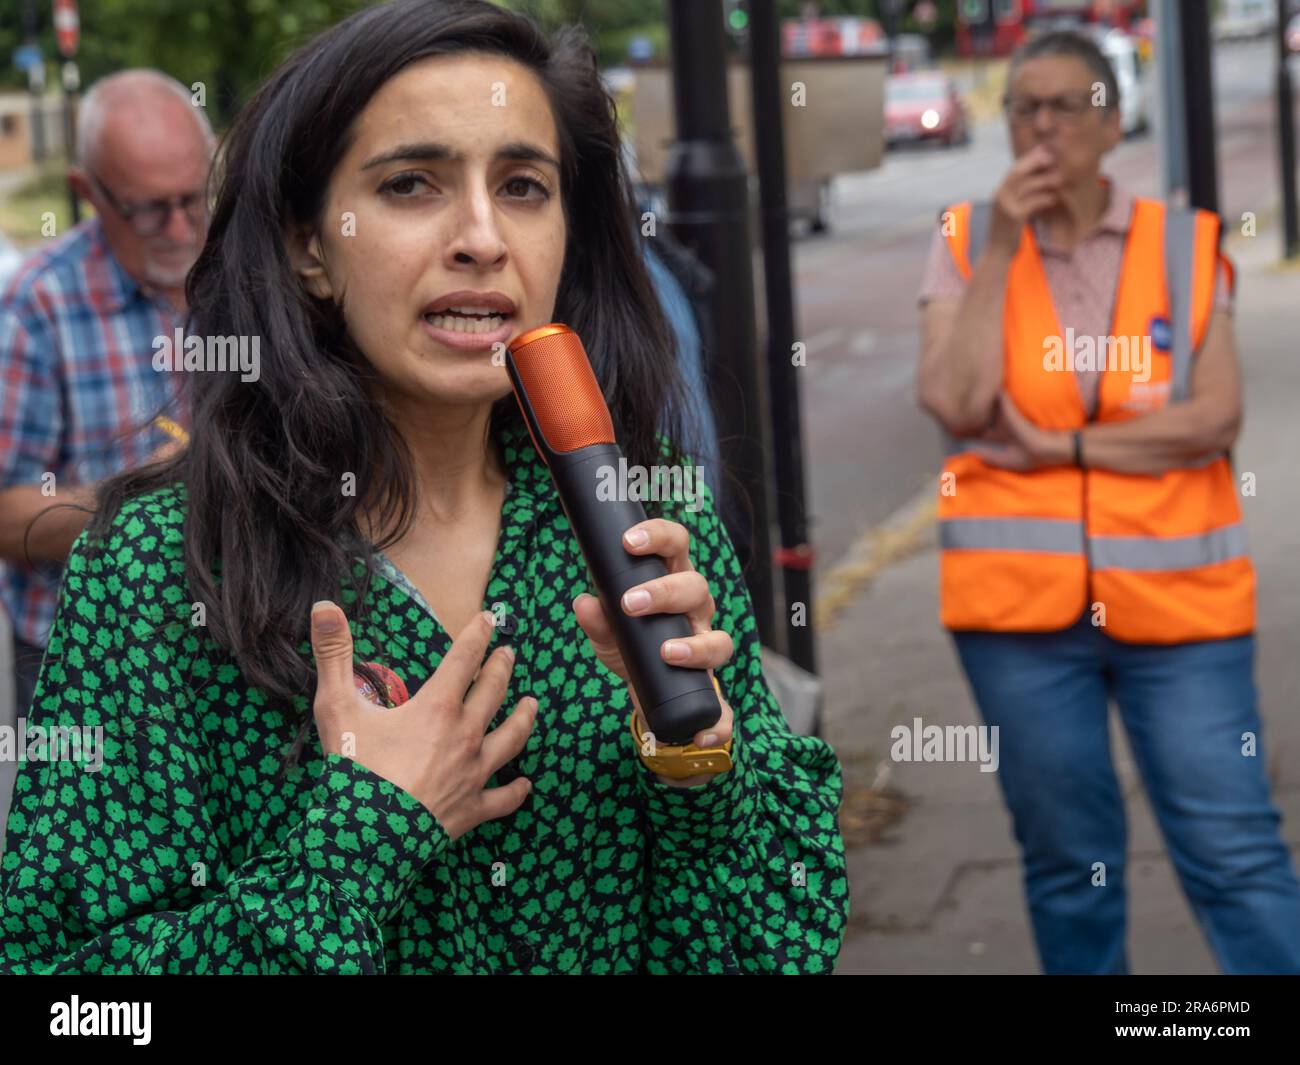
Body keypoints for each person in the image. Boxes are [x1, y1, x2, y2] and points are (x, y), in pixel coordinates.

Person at [0, 0, 848, 974]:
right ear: (308, 245)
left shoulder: (649, 522)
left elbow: (777, 942)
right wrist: (366, 836)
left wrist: (695, 760)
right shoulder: (157, 569)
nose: (483, 237)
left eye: (524, 185)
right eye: (412, 184)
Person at [916, 30, 1300, 975]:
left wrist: (1067, 447)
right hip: (1018, 620)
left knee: (1236, 853)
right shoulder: (965, 240)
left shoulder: (1184, 242)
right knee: (1068, 865)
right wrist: (1004, 248)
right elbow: (958, 400)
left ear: (1111, 119)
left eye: (1066, 106)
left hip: (1185, 612)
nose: (1043, 128)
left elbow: (1213, 418)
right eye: (1024, 108)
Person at [0, 70, 213, 847]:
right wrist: (160, 501)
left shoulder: (238, 275)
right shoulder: (37, 306)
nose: (184, 225)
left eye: (197, 196)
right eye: (152, 208)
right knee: (88, 871)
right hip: (78, 664)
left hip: (223, 649)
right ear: (85, 191)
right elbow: (6, 514)